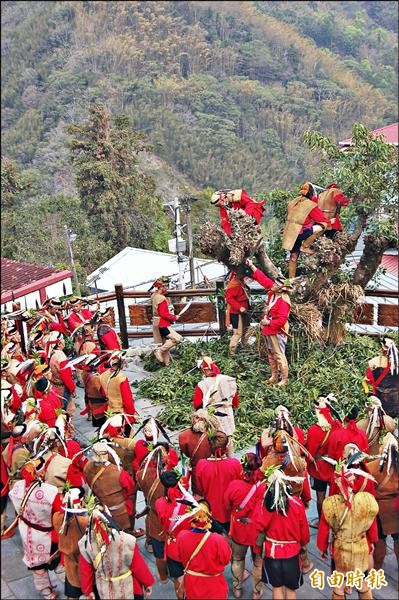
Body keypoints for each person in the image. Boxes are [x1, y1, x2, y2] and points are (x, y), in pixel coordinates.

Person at [317, 460, 379, 600]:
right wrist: (372, 541)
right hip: (360, 547)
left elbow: (324, 527)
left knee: (339, 585)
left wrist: (322, 548)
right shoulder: (367, 501)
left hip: (340, 549)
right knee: (363, 584)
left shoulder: (331, 504)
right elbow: (371, 523)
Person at [252, 466, 310, 600]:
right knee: (291, 590)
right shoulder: (297, 504)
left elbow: (257, 525)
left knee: (276, 588)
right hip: (292, 553)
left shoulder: (265, 506)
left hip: (273, 553)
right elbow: (304, 533)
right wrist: (303, 544)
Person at [9, 459, 61, 600]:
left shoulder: (17, 486)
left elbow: (13, 498)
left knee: (36, 562)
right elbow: (59, 513)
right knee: (55, 560)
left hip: (26, 529)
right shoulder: (50, 491)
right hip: (47, 533)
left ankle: (45, 590)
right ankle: (57, 587)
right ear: (41, 472)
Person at [79, 505, 155, 600]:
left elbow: (85, 571)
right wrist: (147, 583)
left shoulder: (86, 544)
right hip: (130, 588)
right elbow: (138, 566)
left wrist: (88, 591)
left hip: (104, 590)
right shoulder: (126, 540)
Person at [224, 452, 265, 599]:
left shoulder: (234, 485)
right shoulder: (264, 486)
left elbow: (227, 504)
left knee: (237, 559)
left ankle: (237, 588)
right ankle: (256, 591)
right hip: (257, 530)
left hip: (239, 528)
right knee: (258, 562)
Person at [246, 259, 291, 386]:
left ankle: (284, 379)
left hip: (277, 330)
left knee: (279, 354)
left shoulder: (284, 301)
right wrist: (252, 265)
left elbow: (282, 320)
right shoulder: (273, 292)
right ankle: (274, 376)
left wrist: (268, 322)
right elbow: (264, 280)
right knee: (271, 354)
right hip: (268, 329)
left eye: (276, 284)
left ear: (282, 288)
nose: (273, 285)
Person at [83, 441, 142, 537]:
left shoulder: (87, 467)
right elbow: (130, 490)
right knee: (123, 532)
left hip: (102, 507)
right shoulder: (118, 472)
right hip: (119, 511)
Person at [176, 498, 232, 600]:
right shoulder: (218, 540)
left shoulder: (182, 536)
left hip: (192, 585)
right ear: (210, 514)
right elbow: (226, 560)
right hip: (214, 587)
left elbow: (179, 556)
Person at [281, 181, 336, 277]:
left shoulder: (293, 202)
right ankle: (305, 246)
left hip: (290, 233)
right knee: (323, 226)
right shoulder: (310, 205)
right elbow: (320, 219)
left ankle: (290, 280)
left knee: (293, 257)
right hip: (300, 232)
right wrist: (330, 221)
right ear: (311, 193)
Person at [305, 395, 342, 526]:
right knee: (334, 494)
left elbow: (310, 452)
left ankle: (322, 522)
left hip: (319, 468)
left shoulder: (313, 430)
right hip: (333, 466)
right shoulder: (337, 425)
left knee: (320, 495)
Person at [155, 470, 192, 599]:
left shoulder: (159, 504)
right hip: (189, 546)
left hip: (172, 546)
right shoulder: (190, 503)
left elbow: (162, 522)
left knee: (178, 577)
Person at [196, 431, 242, 532]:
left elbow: (200, 489)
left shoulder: (201, 465)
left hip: (211, 512)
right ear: (226, 447)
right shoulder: (235, 464)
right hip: (230, 513)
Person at [366, 432, 399, 573]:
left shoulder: (372, 467)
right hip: (396, 511)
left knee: (379, 542)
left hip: (378, 511)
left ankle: (376, 571)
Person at [192, 356, 238, 456]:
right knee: (228, 438)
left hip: (213, 417)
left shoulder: (202, 384)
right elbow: (235, 402)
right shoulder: (229, 380)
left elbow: (197, 405)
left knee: (214, 439)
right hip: (228, 414)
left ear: (205, 370)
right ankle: (229, 459)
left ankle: (215, 459)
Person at [52, 487, 89, 600]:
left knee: (72, 595)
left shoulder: (57, 518)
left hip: (70, 563)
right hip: (86, 563)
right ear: (81, 500)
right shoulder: (85, 522)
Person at [178, 409, 218, 494]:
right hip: (211, 467)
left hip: (196, 468)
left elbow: (186, 453)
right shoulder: (215, 434)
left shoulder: (183, 436)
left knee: (197, 493)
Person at [363, 336, 399, 417]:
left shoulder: (373, 362)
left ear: (382, 347)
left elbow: (366, 381)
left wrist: (367, 392)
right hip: (394, 402)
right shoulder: (396, 363)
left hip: (380, 400)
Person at [150, 277, 183, 366]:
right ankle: (159, 351)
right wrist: (174, 317)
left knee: (166, 345)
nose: (167, 288)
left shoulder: (154, 296)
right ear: (161, 287)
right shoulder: (161, 298)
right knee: (177, 339)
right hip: (162, 324)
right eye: (166, 286)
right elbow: (163, 313)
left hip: (156, 322)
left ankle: (167, 364)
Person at [98, 352, 137, 423]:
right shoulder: (121, 378)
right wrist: (132, 412)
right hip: (122, 412)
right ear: (122, 362)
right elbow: (127, 400)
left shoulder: (102, 375)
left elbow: (103, 393)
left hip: (110, 411)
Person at [46, 332, 76, 416]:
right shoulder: (61, 357)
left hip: (56, 385)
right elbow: (66, 377)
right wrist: (72, 389)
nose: (64, 342)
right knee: (66, 412)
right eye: (63, 340)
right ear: (59, 344)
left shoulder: (53, 354)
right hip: (63, 388)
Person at [225, 272, 251, 355]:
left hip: (244, 311)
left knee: (246, 331)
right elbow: (229, 299)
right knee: (237, 333)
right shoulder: (234, 284)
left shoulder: (241, 282)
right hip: (237, 312)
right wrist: (240, 307)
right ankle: (232, 353)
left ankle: (245, 349)